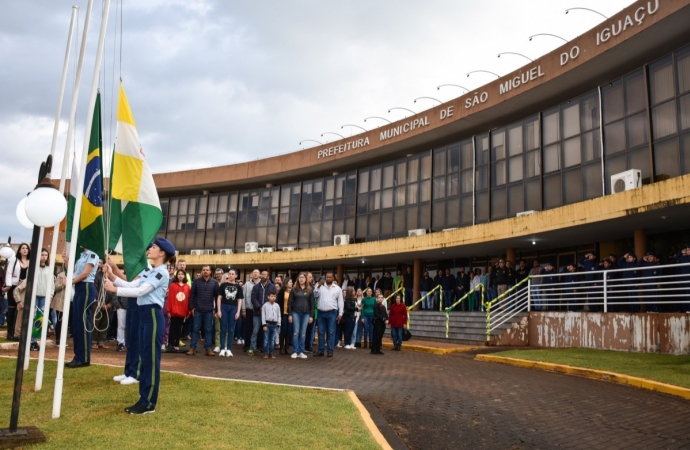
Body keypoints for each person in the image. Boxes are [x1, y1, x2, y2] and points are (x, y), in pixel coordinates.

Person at [104, 237, 176, 415]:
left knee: (150, 360)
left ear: (162, 253)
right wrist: (113, 277)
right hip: (145, 316)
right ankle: (144, 398)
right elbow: (132, 284)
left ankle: (149, 402)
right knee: (144, 358)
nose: (150, 249)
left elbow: (140, 291)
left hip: (152, 315)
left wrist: (114, 289)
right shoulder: (151, 272)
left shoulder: (161, 273)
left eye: (154, 247)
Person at [63, 246, 98, 368]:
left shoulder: (92, 254)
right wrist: (67, 262)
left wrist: (70, 282)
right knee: (77, 324)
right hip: (78, 288)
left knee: (83, 323)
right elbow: (76, 272)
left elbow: (85, 274)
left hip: (86, 287)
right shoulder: (82, 255)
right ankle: (78, 356)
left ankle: (84, 358)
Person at [187, 265, 218, 356]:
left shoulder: (214, 282)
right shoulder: (196, 281)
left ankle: (208, 349)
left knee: (208, 330)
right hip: (198, 309)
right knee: (195, 329)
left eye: (207, 270)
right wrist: (192, 307)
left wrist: (215, 309)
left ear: (210, 272)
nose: (205, 271)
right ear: (201, 271)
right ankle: (192, 348)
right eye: (204, 270)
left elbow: (217, 297)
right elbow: (192, 295)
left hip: (209, 310)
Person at [4, 243, 30, 341]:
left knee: (20, 310)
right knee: (12, 310)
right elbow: (9, 272)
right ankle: (9, 333)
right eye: (23, 248)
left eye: (26, 248)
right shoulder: (14, 260)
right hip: (14, 286)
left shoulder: (30, 262)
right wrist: (9, 285)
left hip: (24, 288)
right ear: (19, 250)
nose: (25, 250)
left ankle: (17, 332)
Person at [30, 248, 54, 351]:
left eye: (45, 255)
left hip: (44, 296)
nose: (44, 257)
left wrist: (50, 296)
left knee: (40, 319)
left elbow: (52, 284)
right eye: (42, 254)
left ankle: (35, 340)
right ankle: (29, 340)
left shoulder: (49, 268)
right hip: (34, 295)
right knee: (32, 317)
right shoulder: (33, 267)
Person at [315, 272, 344, 357]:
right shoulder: (320, 287)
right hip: (321, 312)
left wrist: (340, 313)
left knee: (331, 332)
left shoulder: (337, 289)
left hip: (332, 312)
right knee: (320, 332)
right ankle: (320, 350)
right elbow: (314, 295)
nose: (328, 278)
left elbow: (340, 302)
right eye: (327, 277)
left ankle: (330, 351)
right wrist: (317, 287)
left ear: (333, 278)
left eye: (330, 277)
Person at [216, 268, 243, 357]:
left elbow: (239, 300)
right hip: (224, 307)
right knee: (223, 329)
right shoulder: (223, 285)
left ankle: (229, 349)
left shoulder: (238, 287)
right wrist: (219, 310)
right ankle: (222, 348)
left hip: (233, 308)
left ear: (236, 276)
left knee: (231, 330)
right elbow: (219, 298)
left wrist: (238, 312)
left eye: (232, 274)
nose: (230, 275)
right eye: (229, 274)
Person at [288, 272, 314, 359]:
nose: (301, 279)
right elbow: (289, 302)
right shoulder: (294, 289)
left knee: (303, 333)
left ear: (306, 279)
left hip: (306, 313)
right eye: (300, 277)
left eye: (303, 277)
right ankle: (295, 351)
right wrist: (290, 314)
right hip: (295, 313)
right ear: (298, 279)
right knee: (296, 332)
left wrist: (311, 316)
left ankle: (301, 351)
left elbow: (312, 304)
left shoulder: (310, 290)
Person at [250, 270, 274, 356]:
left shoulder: (272, 287)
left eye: (265, 275)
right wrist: (259, 307)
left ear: (268, 276)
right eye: (262, 274)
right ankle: (252, 348)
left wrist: (266, 308)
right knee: (255, 331)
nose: (263, 276)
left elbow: (274, 299)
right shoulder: (256, 287)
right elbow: (253, 298)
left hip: (268, 314)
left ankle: (266, 350)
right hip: (257, 312)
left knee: (267, 333)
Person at [166, 269, 190, 353]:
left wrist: (188, 312)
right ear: (177, 275)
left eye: (182, 274)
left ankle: (176, 344)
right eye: (179, 274)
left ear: (184, 276)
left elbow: (187, 300)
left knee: (179, 328)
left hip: (182, 311)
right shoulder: (172, 285)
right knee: (172, 328)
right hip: (173, 310)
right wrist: (168, 310)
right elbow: (170, 298)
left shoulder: (187, 287)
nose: (180, 276)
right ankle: (170, 344)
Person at [242, 269, 259, 352]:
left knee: (257, 328)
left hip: (258, 310)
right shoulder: (247, 284)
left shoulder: (261, 284)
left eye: (257, 273)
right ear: (252, 274)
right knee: (248, 328)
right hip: (249, 309)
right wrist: (243, 309)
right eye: (254, 273)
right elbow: (243, 297)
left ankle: (257, 345)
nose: (255, 274)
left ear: (259, 275)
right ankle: (247, 345)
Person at [261, 287, 280, 359]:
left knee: (272, 339)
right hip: (267, 324)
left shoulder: (277, 306)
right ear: (268, 297)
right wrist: (264, 324)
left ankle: (271, 353)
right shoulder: (265, 305)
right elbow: (263, 315)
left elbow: (279, 315)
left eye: (274, 296)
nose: (273, 298)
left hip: (274, 324)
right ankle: (265, 352)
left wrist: (278, 324)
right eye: (271, 296)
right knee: (266, 339)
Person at [276, 278, 292, 355]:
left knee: (289, 331)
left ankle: (287, 348)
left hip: (290, 314)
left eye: (291, 282)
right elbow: (279, 303)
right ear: (286, 283)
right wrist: (280, 315)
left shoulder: (293, 292)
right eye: (290, 282)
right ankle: (281, 347)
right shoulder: (282, 292)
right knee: (283, 331)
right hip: (283, 313)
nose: (291, 283)